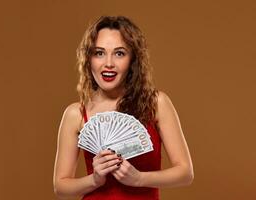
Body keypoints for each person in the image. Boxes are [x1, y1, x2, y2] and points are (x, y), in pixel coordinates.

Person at [53, 15, 194, 200]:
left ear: (132, 60)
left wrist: (139, 178)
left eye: (119, 53)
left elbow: (185, 173)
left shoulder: (156, 103)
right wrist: (94, 180)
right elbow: (61, 188)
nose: (108, 63)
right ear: (89, 59)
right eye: (99, 53)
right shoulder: (75, 114)